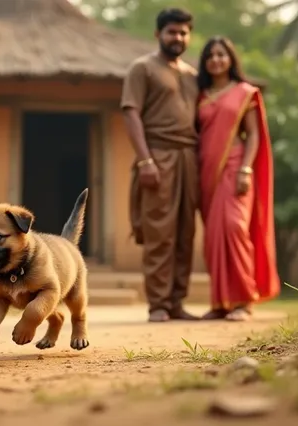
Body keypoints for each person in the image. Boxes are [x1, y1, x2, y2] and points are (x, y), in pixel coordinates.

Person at [121, 8, 200, 323]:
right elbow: (130, 113)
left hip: (189, 158)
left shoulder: (194, 75)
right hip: (158, 155)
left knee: (185, 233)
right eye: (172, 32)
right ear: (158, 34)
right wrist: (145, 160)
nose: (178, 38)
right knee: (159, 234)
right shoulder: (142, 68)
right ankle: (157, 304)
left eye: (183, 32)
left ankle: (177, 302)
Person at [195, 36, 281, 321]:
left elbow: (253, 133)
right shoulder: (201, 93)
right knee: (213, 238)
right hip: (206, 171)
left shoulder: (245, 92)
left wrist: (246, 168)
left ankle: (244, 300)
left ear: (231, 59)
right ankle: (221, 302)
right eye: (210, 55)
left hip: (235, 166)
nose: (216, 59)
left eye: (221, 54)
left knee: (235, 228)